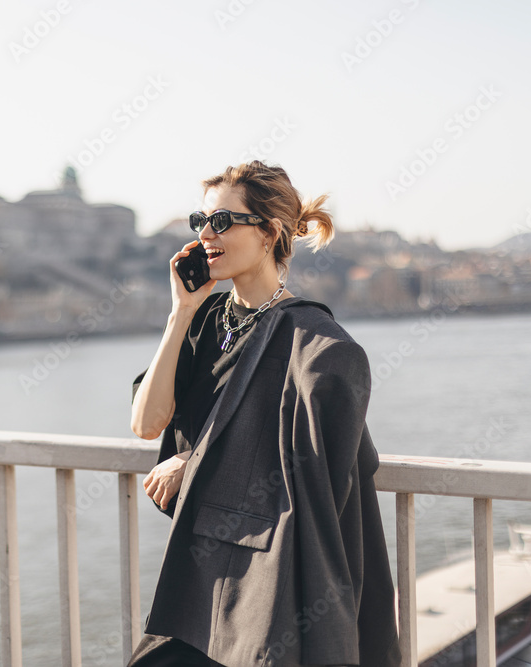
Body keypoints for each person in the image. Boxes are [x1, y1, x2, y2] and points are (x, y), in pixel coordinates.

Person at [128, 160, 402, 667]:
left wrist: (195, 463)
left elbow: (310, 469)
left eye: (223, 222)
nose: (205, 234)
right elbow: (147, 424)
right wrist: (180, 312)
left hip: (262, 587)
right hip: (199, 570)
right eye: (201, 221)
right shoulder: (205, 320)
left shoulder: (314, 343)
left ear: (270, 232)